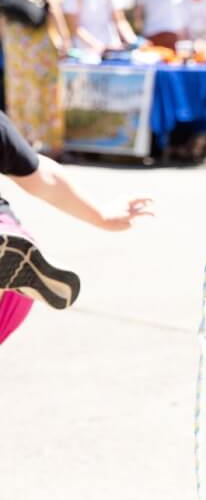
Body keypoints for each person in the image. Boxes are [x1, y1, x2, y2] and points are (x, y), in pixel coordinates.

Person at [0, 110, 153, 346]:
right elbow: (41, 176)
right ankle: (8, 271)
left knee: (11, 249)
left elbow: (41, 175)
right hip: (15, 268)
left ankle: (8, 268)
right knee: (12, 247)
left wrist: (103, 215)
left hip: (12, 250)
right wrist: (101, 216)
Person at [2, 0, 71, 158]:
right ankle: (49, 145)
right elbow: (53, 6)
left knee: (19, 89)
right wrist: (64, 37)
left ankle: (23, 142)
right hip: (37, 42)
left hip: (14, 43)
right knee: (46, 89)